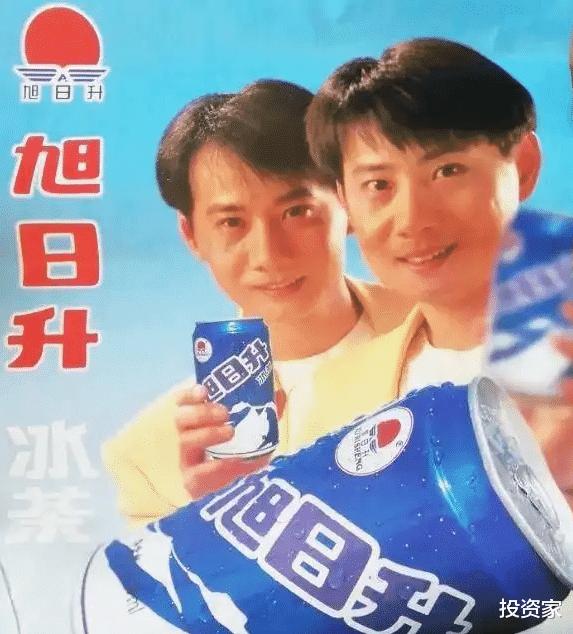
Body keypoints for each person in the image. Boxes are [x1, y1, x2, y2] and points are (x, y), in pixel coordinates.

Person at [103, 80, 413, 525]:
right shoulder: (150, 457)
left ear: (347, 202)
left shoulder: (454, 325)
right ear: (191, 235)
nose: (269, 254)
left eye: (296, 212)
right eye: (232, 222)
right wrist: (212, 519)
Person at [300, 37, 573, 512]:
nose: (413, 219)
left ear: (523, 165)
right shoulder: (330, 402)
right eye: (378, 185)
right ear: (344, 201)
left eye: (448, 171)